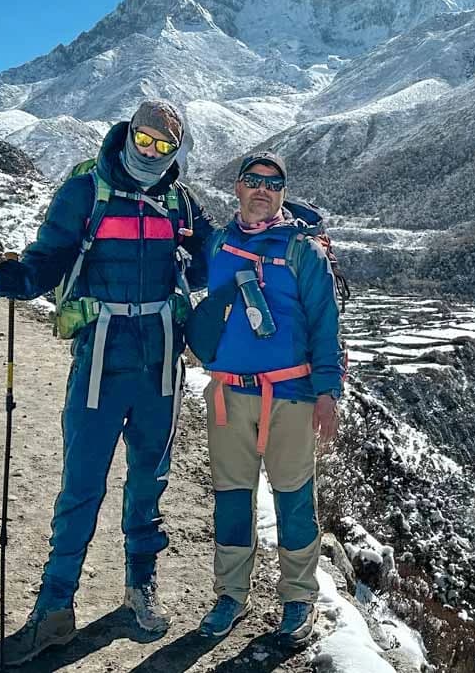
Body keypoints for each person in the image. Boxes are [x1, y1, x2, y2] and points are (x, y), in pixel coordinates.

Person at [0, 99, 214, 666]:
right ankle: (54, 609)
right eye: (145, 140)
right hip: (100, 360)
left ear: (175, 151)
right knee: (82, 485)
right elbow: (50, 254)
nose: (151, 152)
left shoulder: (179, 200)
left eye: (164, 146)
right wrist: (24, 277)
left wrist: (280, 242)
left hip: (160, 363)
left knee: (149, 481)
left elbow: (215, 257)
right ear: (128, 133)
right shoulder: (86, 190)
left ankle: (140, 587)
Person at [195, 151, 343, 645]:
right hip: (228, 393)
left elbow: (325, 325)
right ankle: (230, 594)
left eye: (274, 184)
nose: (263, 189)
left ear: (283, 193)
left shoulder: (304, 251)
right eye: (254, 180)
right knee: (231, 497)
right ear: (237, 187)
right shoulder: (218, 244)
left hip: (291, 394)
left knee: (295, 498)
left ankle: (298, 597)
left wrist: (328, 393)